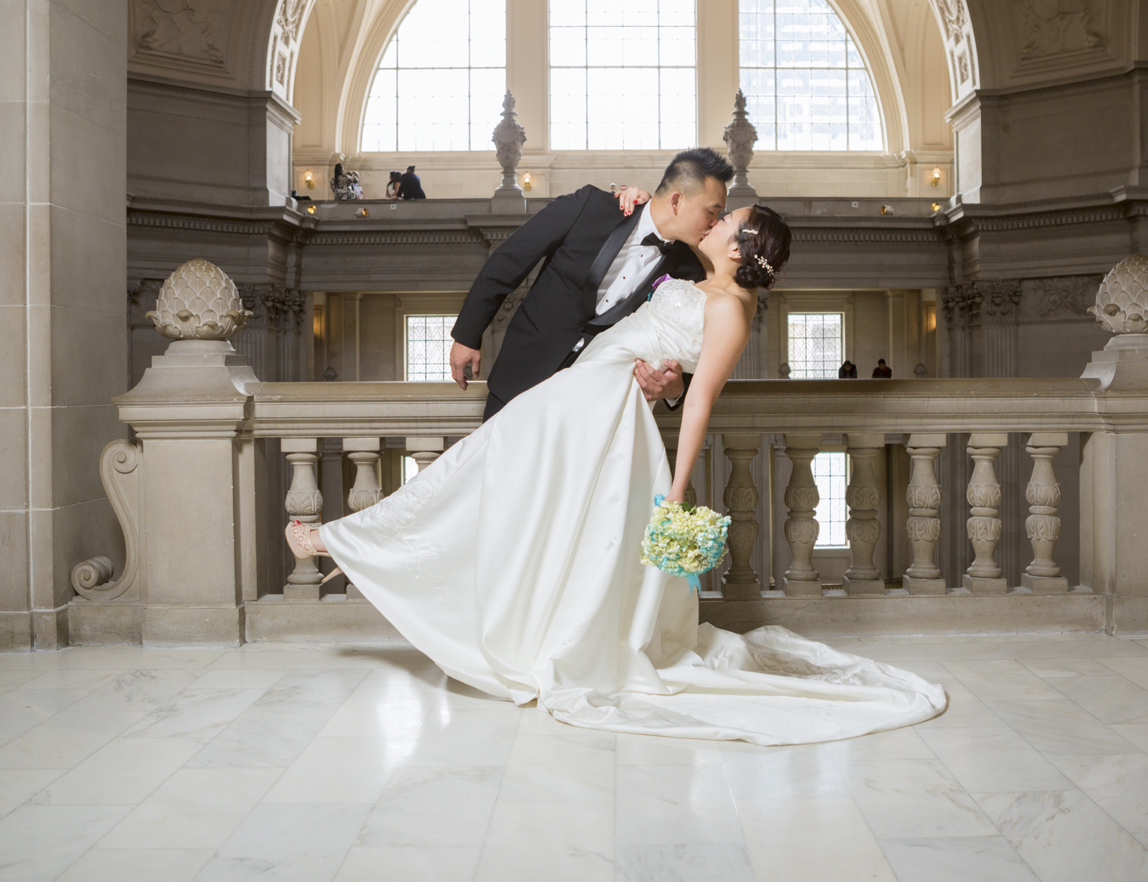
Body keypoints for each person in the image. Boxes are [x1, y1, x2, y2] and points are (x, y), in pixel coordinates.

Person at [283, 205, 947, 745]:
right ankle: (358, 546)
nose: (712, 223)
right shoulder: (693, 281)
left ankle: (345, 543)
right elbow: (640, 320)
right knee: (494, 486)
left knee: (481, 475)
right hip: (582, 396)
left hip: (604, 415)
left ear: (742, 248)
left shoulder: (730, 311)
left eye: (726, 221)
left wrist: (678, 488)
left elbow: (702, 402)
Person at [450, 147, 730, 421]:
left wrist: (676, 389)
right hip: (521, 373)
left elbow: (687, 346)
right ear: (677, 200)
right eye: (711, 212)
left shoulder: (689, 272)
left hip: (591, 407)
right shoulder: (590, 206)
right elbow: (511, 259)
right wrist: (466, 335)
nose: (715, 223)